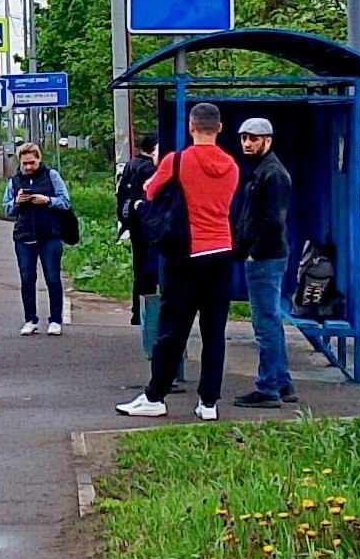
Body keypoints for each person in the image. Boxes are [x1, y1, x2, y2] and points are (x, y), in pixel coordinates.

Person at [117, 102, 241, 421]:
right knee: (214, 331)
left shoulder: (177, 160)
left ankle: (155, 396)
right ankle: (209, 403)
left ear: (191, 127)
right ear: (220, 128)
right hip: (222, 251)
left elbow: (150, 190)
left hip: (187, 255)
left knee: (173, 328)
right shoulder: (231, 165)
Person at [228, 116, 296, 407]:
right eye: (244, 138)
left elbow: (273, 220)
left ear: (267, 141)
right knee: (270, 320)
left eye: (253, 139)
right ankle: (281, 382)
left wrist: (254, 250)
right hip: (266, 255)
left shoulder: (273, 174)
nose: (246, 143)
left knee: (265, 322)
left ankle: (268, 387)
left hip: (265, 258)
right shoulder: (263, 171)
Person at [3, 141, 72, 336]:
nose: (28, 167)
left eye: (31, 162)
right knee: (27, 278)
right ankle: (30, 319)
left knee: (52, 277)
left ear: (39, 159)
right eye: (24, 163)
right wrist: (16, 202)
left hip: (49, 234)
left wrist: (47, 200)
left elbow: (65, 201)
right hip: (24, 236)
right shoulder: (15, 181)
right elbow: (6, 207)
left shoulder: (51, 176)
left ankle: (55, 320)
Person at [117, 130, 162, 365]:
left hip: (134, 224)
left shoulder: (130, 165)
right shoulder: (149, 169)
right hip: (149, 224)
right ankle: (147, 312)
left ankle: (137, 311)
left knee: (139, 268)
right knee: (150, 270)